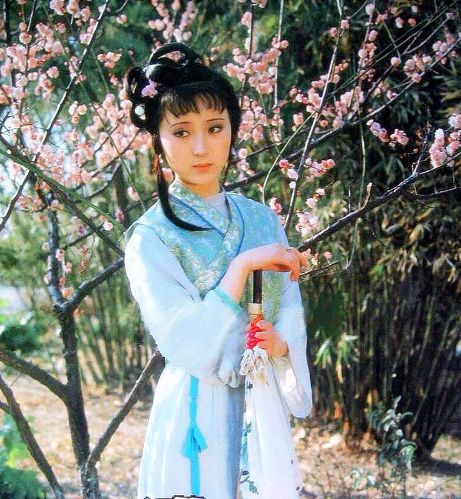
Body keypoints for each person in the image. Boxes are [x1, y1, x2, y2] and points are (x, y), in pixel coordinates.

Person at [123, 42, 313, 499]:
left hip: (261, 399)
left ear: (232, 130)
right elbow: (183, 340)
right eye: (181, 132)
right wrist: (242, 266)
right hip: (195, 407)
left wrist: (280, 345)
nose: (201, 146)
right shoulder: (150, 236)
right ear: (158, 140)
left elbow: (290, 309)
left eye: (215, 127)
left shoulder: (262, 220)